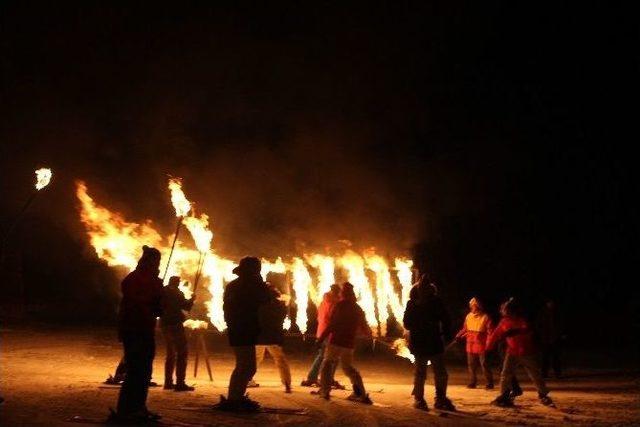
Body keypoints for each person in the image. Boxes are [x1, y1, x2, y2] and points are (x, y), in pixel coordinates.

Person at [113, 246, 164, 422]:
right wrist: (155, 291)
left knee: (144, 371)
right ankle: (127, 410)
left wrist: (158, 293)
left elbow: (157, 307)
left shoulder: (150, 279)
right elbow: (138, 303)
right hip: (135, 329)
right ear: (148, 261)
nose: (157, 264)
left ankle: (139, 407)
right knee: (136, 371)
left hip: (145, 328)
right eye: (155, 261)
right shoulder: (135, 279)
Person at [218, 256, 270, 411]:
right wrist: (261, 282)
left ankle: (235, 397)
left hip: (237, 327)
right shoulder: (252, 285)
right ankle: (234, 399)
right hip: (244, 328)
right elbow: (266, 298)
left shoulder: (233, 285)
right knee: (246, 366)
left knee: (245, 365)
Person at [487, 298, 553, 407]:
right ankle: (504, 395)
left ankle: (543, 394)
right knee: (505, 373)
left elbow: (527, 330)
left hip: (526, 352)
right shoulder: (504, 321)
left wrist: (514, 332)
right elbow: (495, 334)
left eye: (504, 309)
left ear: (511, 310)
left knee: (534, 373)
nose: (502, 311)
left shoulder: (521, 320)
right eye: (502, 309)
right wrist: (488, 347)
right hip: (512, 352)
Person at [403, 278, 456, 411]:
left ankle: (436, 398)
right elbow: (407, 323)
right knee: (430, 373)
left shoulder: (431, 303)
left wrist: (445, 334)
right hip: (428, 342)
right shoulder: (419, 303)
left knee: (431, 373)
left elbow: (445, 320)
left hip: (428, 342)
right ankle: (424, 399)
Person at [315, 282, 372, 403]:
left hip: (336, 341)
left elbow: (332, 324)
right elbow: (364, 325)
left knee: (327, 364)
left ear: (343, 293)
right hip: (349, 343)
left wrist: (321, 338)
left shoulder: (340, 306)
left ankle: (325, 391)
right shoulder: (357, 308)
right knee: (348, 367)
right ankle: (361, 393)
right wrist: (368, 334)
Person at [249, 284, 292, 392]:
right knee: (280, 360)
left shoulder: (259, 304)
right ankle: (286, 383)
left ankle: (248, 379)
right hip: (272, 336)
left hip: (261, 336)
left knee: (256, 358)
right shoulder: (278, 305)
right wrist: (285, 303)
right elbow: (281, 316)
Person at [301, 283, 344, 389]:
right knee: (331, 357)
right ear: (336, 292)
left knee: (325, 356)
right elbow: (333, 319)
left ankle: (315, 378)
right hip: (329, 333)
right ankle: (322, 379)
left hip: (322, 331)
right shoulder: (334, 303)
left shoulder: (324, 301)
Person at [161, 276, 195, 391]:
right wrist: (192, 299)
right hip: (175, 324)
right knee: (182, 352)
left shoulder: (162, 291)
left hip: (164, 324)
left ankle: (168, 382)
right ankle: (180, 383)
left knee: (170, 353)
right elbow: (186, 306)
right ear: (176, 283)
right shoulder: (176, 293)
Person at [455, 297, 494, 389]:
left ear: (478, 306)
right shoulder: (469, 316)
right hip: (470, 345)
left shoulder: (485, 317)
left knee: (484, 364)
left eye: (474, 306)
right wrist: (459, 335)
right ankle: (472, 382)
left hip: (481, 345)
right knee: (471, 365)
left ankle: (489, 382)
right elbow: (465, 329)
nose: (472, 307)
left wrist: (489, 344)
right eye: (471, 306)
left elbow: (490, 332)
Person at [536, 299, 564, 378]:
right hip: (545, 338)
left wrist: (561, 334)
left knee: (556, 357)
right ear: (547, 304)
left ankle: (557, 373)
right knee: (545, 357)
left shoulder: (557, 313)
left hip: (555, 338)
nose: (551, 304)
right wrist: (541, 334)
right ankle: (544, 373)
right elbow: (538, 324)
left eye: (552, 303)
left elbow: (561, 324)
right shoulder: (542, 313)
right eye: (549, 303)